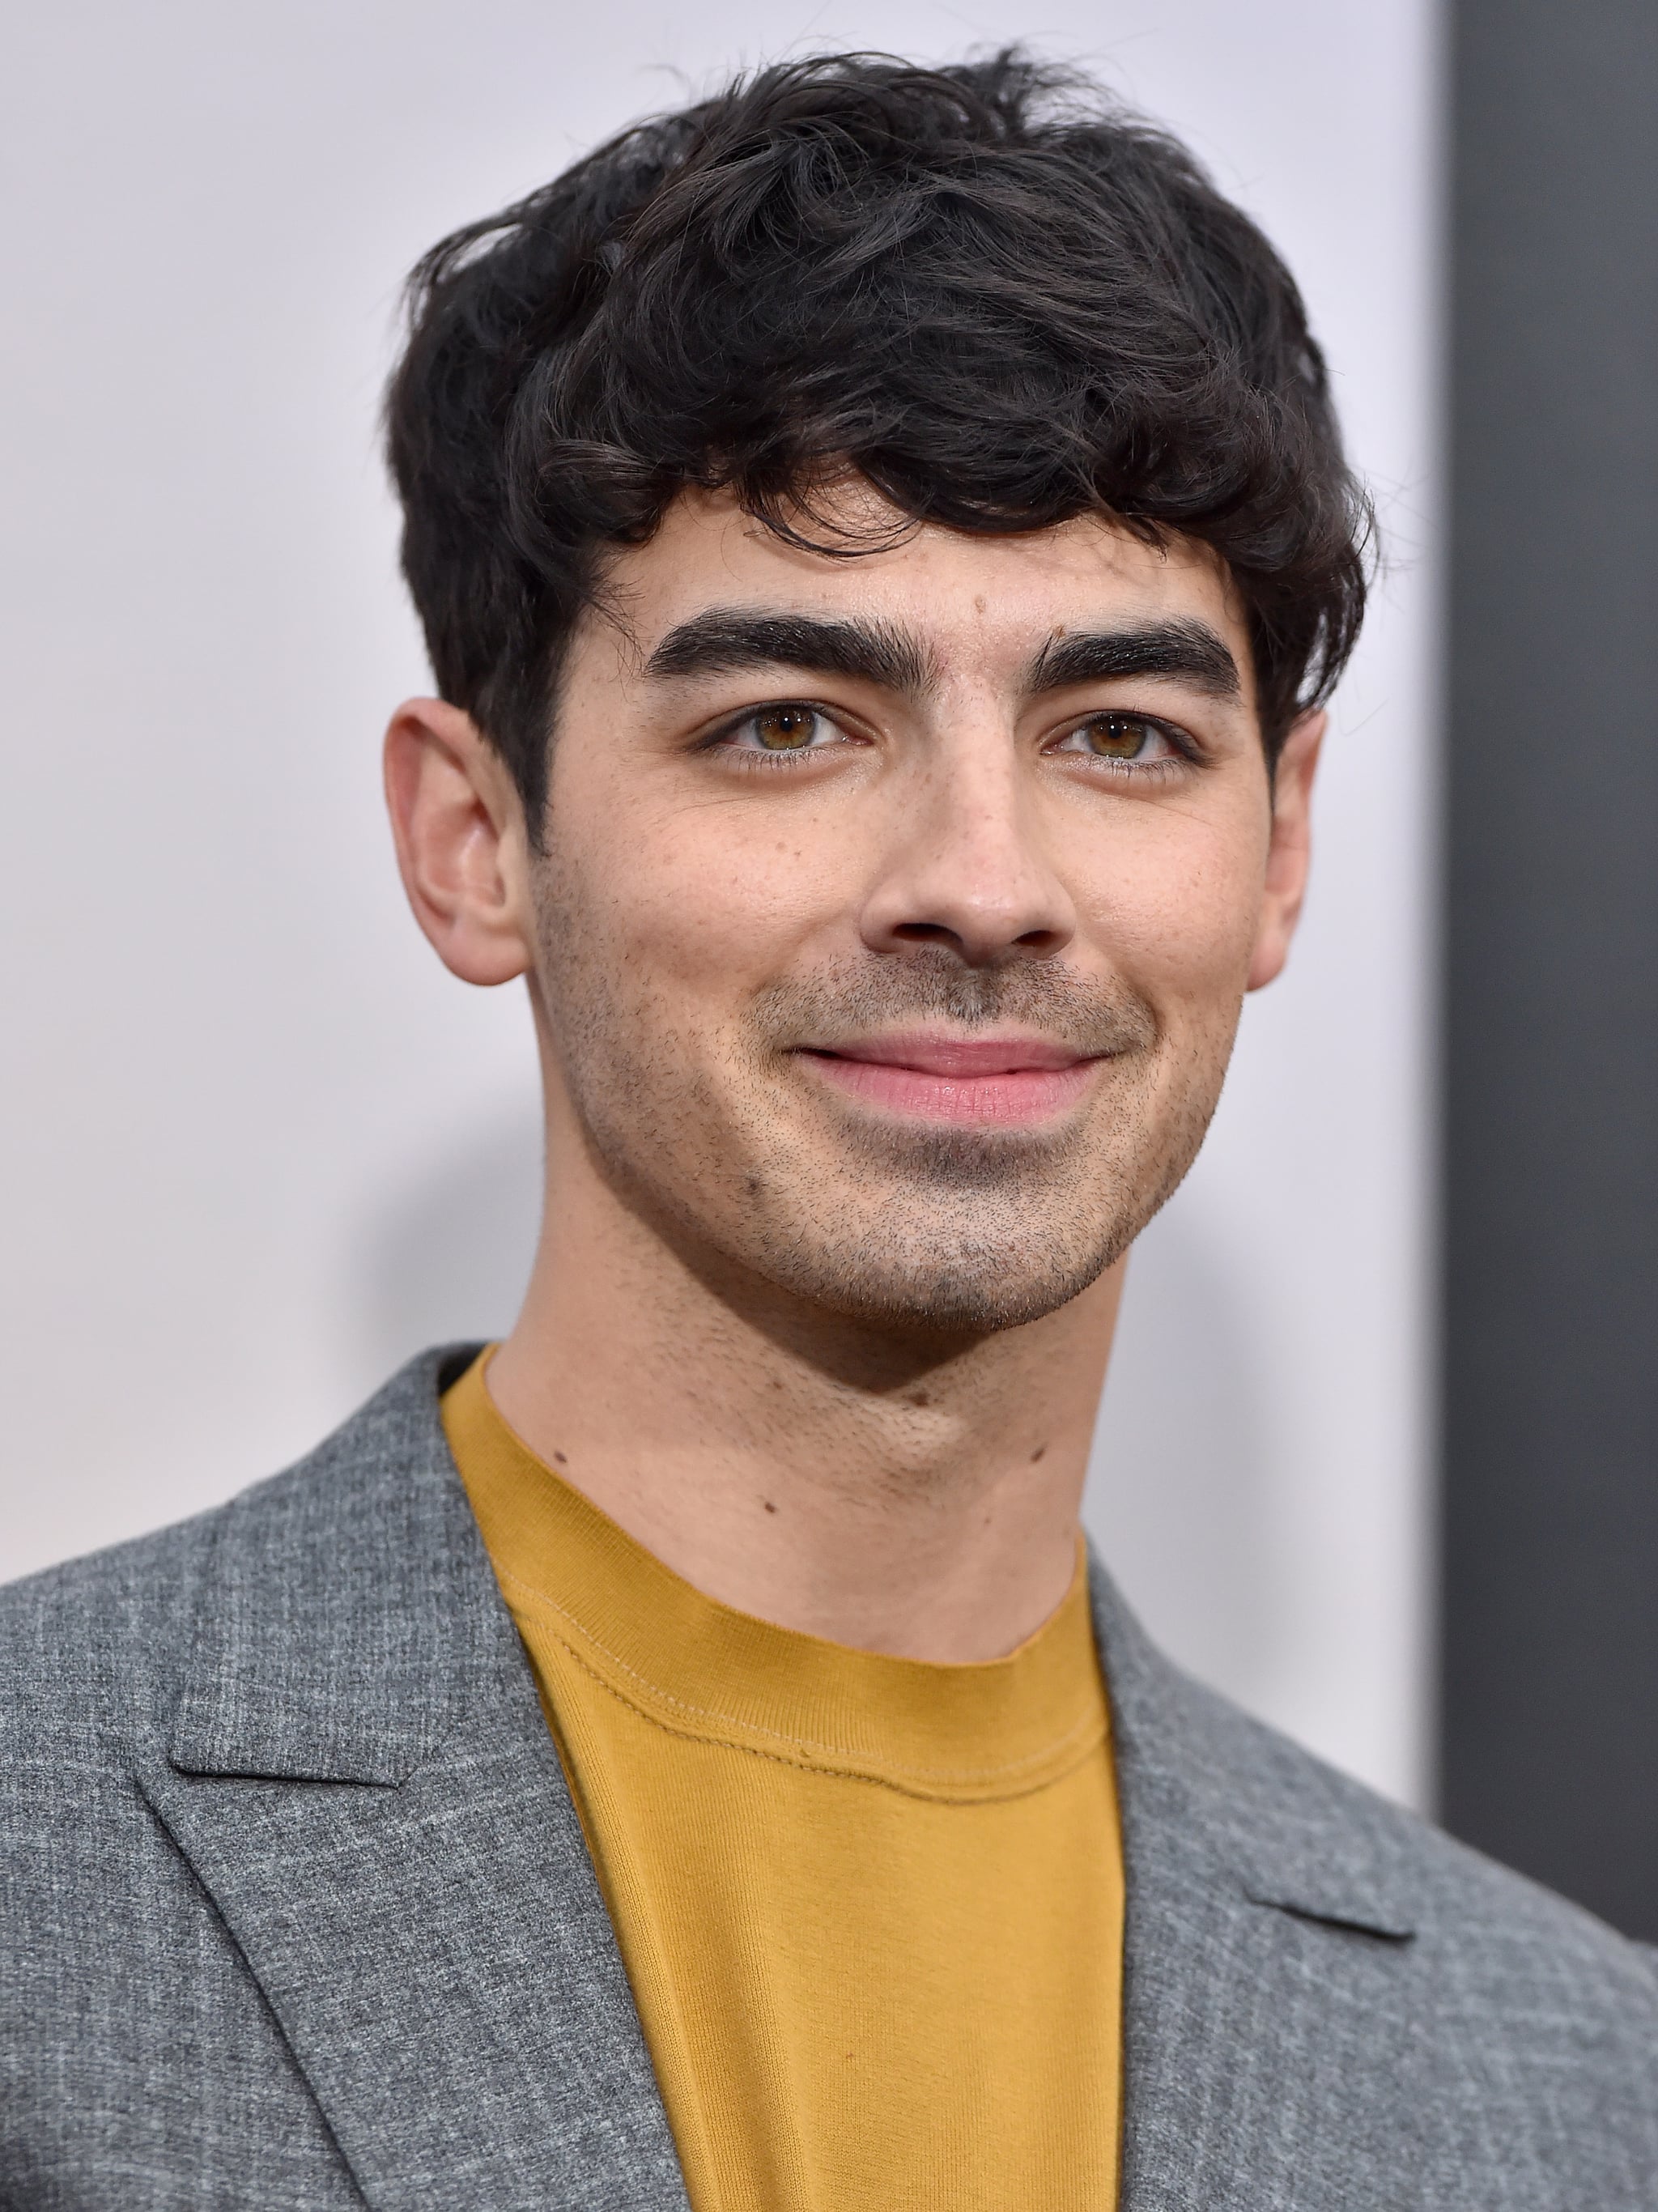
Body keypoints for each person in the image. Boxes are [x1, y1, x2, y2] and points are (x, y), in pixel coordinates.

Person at [1, 49, 1652, 2211]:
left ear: (1279, 848)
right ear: (478, 840)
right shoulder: (40, 1860)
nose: (983, 874)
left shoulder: (1575, 2084)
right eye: (790, 722)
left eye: (1125, 733)